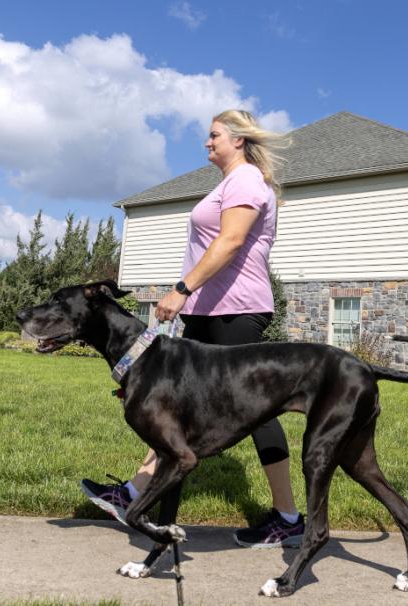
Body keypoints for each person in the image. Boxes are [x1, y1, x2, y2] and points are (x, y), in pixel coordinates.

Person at [81, 109, 304, 548]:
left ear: (238, 139)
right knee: (174, 404)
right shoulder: (228, 183)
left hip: (234, 311)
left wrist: (182, 289)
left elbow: (231, 241)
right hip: (208, 310)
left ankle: (289, 517)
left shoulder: (246, 181)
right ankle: (133, 491)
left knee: (258, 411)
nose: (207, 142)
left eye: (214, 135)